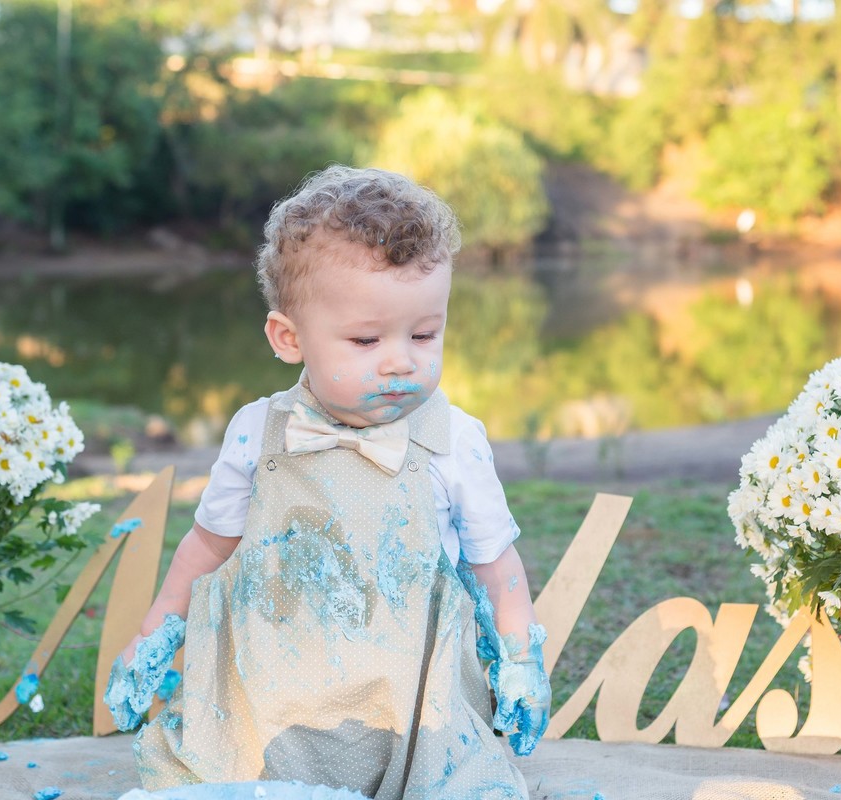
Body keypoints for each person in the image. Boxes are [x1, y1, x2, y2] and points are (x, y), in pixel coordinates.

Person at [108, 165, 551, 798]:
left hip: (412, 704)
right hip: (269, 694)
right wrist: (157, 633)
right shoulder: (255, 431)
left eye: (426, 334)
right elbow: (208, 546)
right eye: (367, 339)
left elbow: (496, 564)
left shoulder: (454, 440)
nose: (402, 359)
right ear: (289, 338)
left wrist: (519, 658)